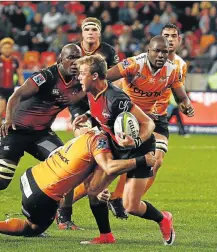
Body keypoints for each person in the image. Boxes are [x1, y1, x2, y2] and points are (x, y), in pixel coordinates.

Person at [0, 44, 85, 212]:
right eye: (71, 58)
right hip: (15, 131)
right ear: (60, 60)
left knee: (68, 166)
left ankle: (64, 217)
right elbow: (17, 95)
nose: (75, 62)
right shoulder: (46, 76)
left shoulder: (80, 81)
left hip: (41, 134)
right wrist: (7, 120)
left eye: (78, 58)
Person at [0, 128, 156, 239]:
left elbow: (85, 171)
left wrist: (101, 189)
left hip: (32, 176)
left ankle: (60, 217)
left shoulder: (89, 134)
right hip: (40, 195)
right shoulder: (101, 147)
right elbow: (108, 168)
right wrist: (141, 160)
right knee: (32, 229)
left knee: (52, 204)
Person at [73, 54, 175, 245]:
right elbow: (101, 113)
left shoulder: (116, 99)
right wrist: (88, 115)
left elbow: (148, 123)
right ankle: (106, 236)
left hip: (140, 150)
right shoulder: (90, 91)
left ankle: (163, 218)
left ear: (95, 76)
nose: (79, 77)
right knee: (94, 190)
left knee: (131, 206)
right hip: (117, 148)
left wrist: (135, 142)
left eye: (82, 73)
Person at [107, 27, 195, 215]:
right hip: (135, 114)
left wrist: (185, 104)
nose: (169, 40)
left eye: (173, 37)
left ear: (179, 40)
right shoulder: (136, 64)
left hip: (158, 117)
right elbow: (109, 78)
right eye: (165, 37)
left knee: (156, 161)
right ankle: (115, 197)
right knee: (126, 159)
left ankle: (127, 200)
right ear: (152, 46)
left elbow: (179, 94)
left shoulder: (179, 66)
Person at [57, 16, 120, 230]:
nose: (91, 32)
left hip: (101, 106)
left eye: (94, 29)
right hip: (80, 107)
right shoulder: (73, 52)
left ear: (99, 33)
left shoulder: (109, 52)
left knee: (97, 159)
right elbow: (61, 74)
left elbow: (118, 79)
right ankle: (66, 212)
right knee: (87, 153)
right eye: (87, 29)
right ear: (82, 33)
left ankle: (101, 195)